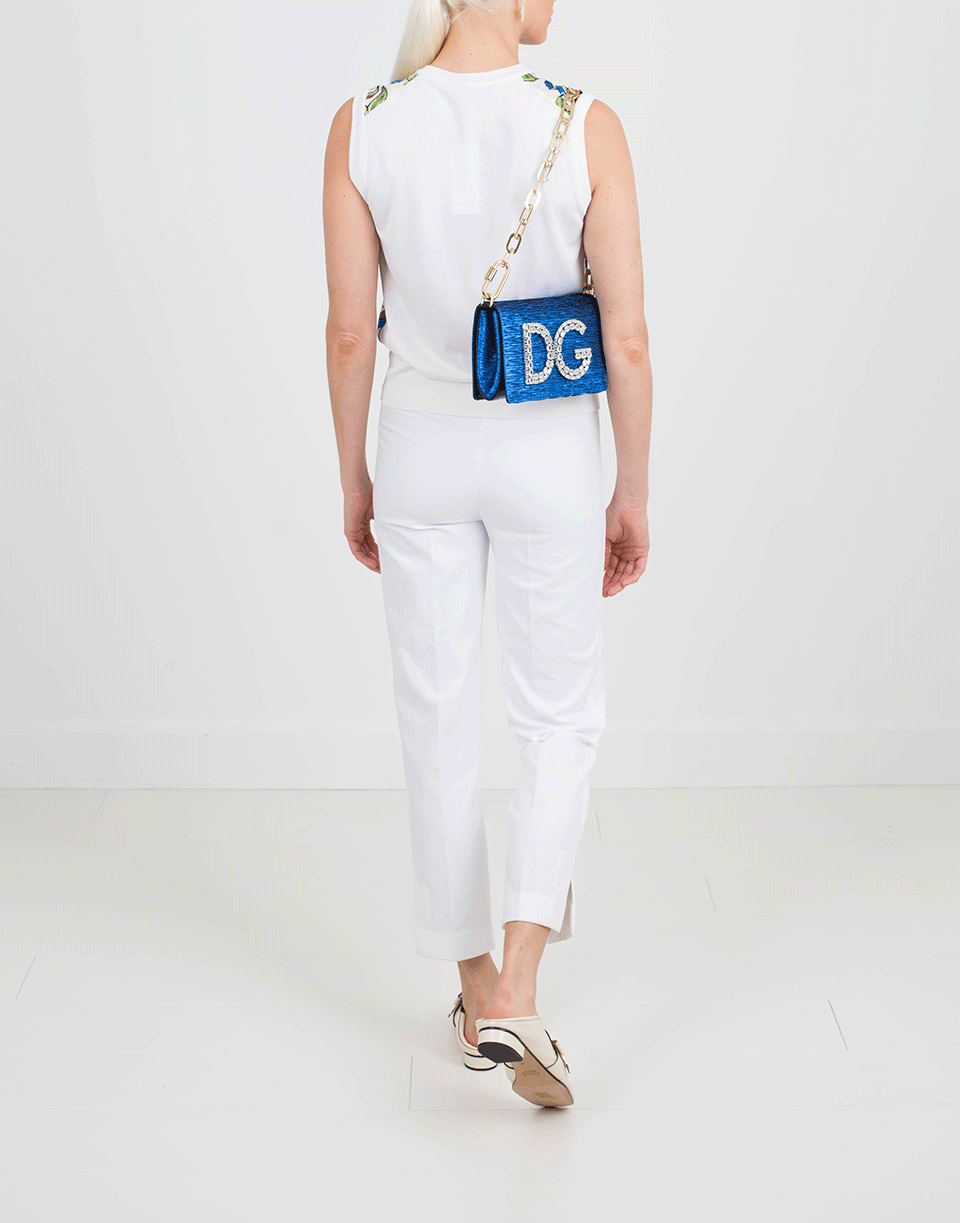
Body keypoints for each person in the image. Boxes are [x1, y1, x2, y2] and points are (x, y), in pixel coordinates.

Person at [323, 0, 651, 1105]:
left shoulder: (365, 122)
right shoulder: (586, 122)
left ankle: (473, 990)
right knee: (557, 713)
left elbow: (350, 330)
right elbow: (627, 340)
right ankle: (517, 986)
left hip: (417, 443)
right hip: (547, 450)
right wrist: (631, 488)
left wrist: (355, 477)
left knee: (436, 710)